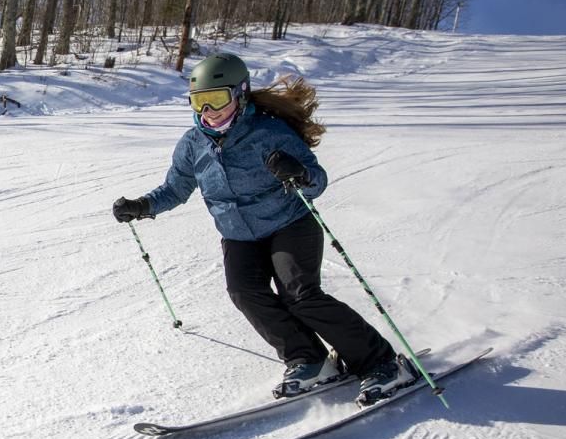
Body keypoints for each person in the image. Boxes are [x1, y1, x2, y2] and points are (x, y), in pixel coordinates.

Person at [113, 52, 413, 404]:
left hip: (289, 224)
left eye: (217, 99)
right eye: (198, 101)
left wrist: (298, 173)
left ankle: (382, 363)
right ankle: (309, 359)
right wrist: (143, 206)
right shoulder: (193, 144)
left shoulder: (270, 132)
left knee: (300, 295)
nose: (207, 111)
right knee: (244, 292)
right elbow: (176, 188)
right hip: (239, 235)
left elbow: (316, 180)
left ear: (240, 94)